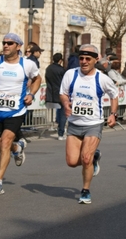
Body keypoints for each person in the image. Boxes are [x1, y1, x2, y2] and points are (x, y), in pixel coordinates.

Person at [0, 33, 42, 195]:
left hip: (17, 110)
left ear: (18, 46)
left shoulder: (26, 64)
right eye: (4, 43)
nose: (6, 45)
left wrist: (31, 94)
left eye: (10, 43)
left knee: (5, 142)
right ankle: (18, 147)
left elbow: (37, 79)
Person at [59, 44, 119, 204]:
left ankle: (85, 190)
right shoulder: (70, 74)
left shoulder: (102, 78)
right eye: (81, 58)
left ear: (95, 60)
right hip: (74, 123)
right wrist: (65, 104)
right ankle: (94, 157)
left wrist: (113, 114)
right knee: (72, 162)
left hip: (94, 123)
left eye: (88, 59)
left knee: (85, 158)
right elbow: (63, 94)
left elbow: (114, 94)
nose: (84, 61)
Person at [45, 53, 67, 140]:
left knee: (59, 112)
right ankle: (60, 133)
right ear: (60, 60)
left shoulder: (48, 68)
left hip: (51, 93)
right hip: (60, 93)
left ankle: (57, 126)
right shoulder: (62, 70)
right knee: (63, 113)